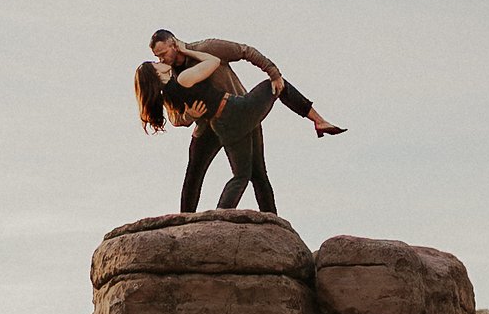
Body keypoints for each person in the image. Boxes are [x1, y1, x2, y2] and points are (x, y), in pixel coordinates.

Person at [132, 29, 344, 218]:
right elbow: (177, 118)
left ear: (174, 44)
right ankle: (188, 223)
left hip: (239, 110)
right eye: (157, 58)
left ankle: (269, 223)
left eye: (163, 54)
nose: (162, 59)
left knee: (255, 173)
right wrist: (190, 116)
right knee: (196, 171)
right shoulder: (173, 77)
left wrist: (272, 71)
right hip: (219, 121)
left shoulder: (204, 48)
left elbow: (245, 51)